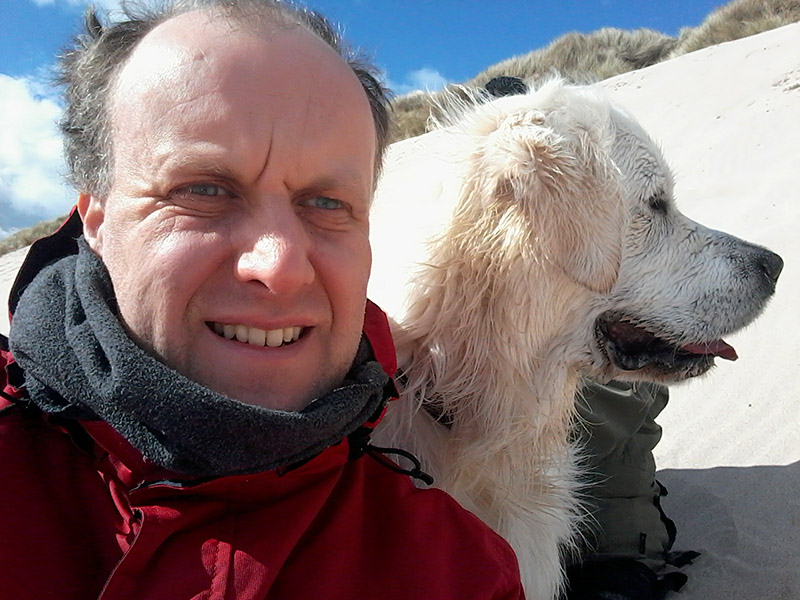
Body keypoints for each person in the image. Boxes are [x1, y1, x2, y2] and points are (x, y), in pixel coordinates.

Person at [0, 3, 524, 599]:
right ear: (95, 218)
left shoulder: (457, 574)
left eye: (327, 203)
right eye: (203, 190)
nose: (278, 267)